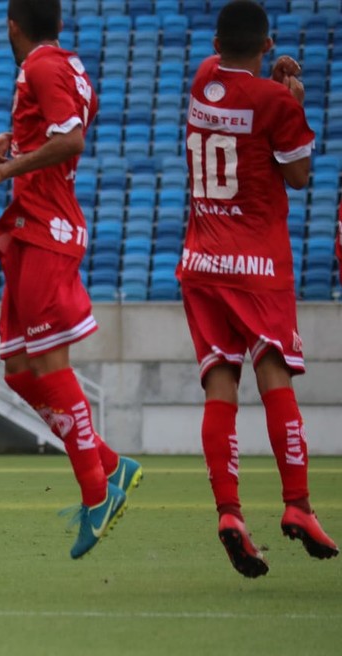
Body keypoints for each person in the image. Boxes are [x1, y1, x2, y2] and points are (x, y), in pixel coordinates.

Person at [0, 0, 142, 560]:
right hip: (31, 226)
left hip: (48, 227)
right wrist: (13, 145)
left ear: (12, 25)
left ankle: (98, 494)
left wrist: (2, 168)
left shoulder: (42, 66)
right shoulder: (65, 65)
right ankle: (112, 465)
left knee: (48, 363)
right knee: (18, 369)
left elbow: (71, 143)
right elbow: (57, 133)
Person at [177, 0, 338, 578]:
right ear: (267, 44)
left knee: (220, 387)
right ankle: (297, 504)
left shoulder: (201, 78)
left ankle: (229, 514)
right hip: (258, 265)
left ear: (218, 42)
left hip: (199, 260)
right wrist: (290, 99)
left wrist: (269, 87)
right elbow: (296, 174)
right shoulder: (276, 103)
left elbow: (235, 105)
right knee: (274, 375)